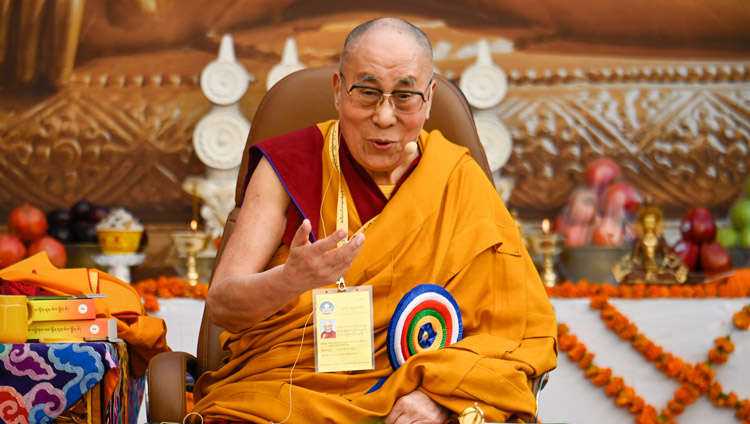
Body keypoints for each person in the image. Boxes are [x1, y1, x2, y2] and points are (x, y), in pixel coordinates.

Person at [192, 17, 557, 423]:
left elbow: (518, 334)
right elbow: (223, 304)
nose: (384, 117)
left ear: (429, 98)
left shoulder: (458, 179)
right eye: (366, 93)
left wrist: (440, 398)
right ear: (337, 90)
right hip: (290, 393)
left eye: (405, 97)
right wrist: (292, 279)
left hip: (415, 400)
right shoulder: (290, 166)